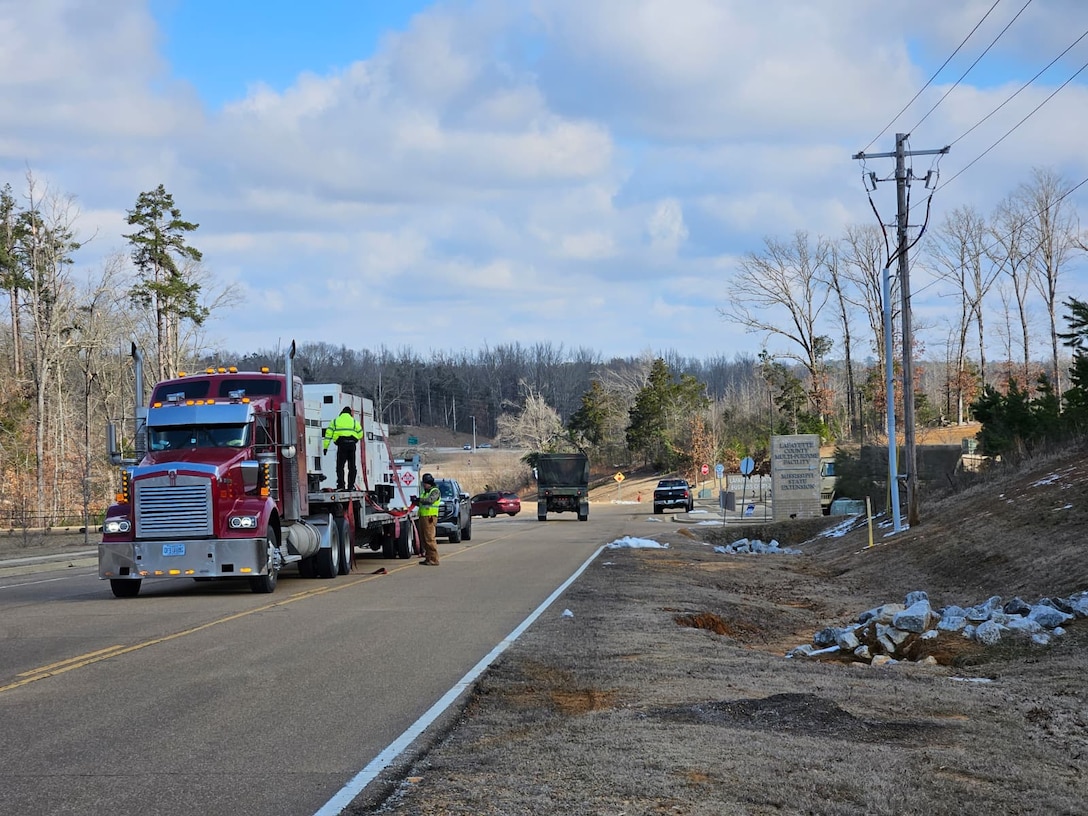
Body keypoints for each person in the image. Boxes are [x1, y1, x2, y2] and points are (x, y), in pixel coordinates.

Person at [323, 406, 362, 490]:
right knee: (352, 467)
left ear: (341, 413)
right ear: (350, 413)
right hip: (352, 445)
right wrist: (354, 439)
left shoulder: (335, 421)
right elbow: (360, 434)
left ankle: (341, 485)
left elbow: (328, 434)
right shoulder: (354, 421)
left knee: (340, 466)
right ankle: (351, 486)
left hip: (342, 445)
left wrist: (325, 447)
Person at [411, 473, 442, 565]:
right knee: (424, 539)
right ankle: (428, 558)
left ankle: (434, 559)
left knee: (429, 539)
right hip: (423, 517)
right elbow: (422, 504)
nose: (424, 485)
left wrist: (419, 499)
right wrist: (415, 501)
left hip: (430, 517)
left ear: (430, 483)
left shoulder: (435, 491)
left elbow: (430, 500)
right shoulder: (425, 492)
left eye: (425, 483)